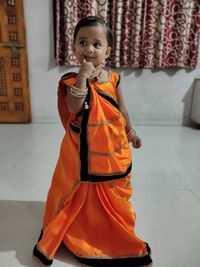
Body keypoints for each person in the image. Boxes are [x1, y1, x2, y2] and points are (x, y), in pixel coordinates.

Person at [33, 16, 152, 267]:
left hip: (110, 149)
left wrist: (131, 133)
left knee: (108, 190)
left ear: (107, 51)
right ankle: (79, 225)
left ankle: (106, 224)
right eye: (83, 42)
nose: (89, 48)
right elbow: (74, 108)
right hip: (80, 151)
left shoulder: (114, 79)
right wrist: (82, 78)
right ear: (75, 48)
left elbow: (122, 109)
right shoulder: (70, 80)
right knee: (80, 187)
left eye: (97, 44)